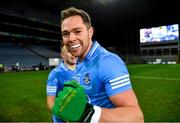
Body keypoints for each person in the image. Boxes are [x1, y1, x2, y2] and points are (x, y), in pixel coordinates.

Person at [54, 7, 144, 122]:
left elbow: (136, 118)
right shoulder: (79, 60)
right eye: (65, 34)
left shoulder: (107, 62)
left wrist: (87, 114)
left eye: (77, 31)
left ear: (90, 32)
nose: (71, 38)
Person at [46, 44, 77, 122]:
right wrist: (65, 116)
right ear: (62, 55)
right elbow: (50, 102)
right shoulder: (55, 73)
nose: (73, 54)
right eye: (69, 52)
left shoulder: (82, 69)